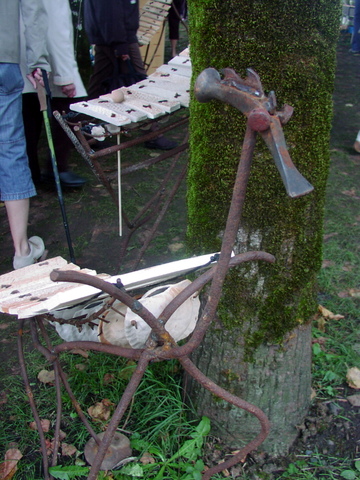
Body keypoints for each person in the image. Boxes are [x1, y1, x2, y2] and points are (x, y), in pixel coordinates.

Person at [84, 0, 177, 150]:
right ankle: (152, 135)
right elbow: (110, 10)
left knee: (99, 85)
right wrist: (120, 45)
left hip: (114, 37)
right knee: (140, 86)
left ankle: (86, 133)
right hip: (119, 39)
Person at [0, 0, 49, 270]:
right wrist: (36, 60)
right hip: (2, 56)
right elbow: (32, 7)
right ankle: (22, 252)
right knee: (9, 149)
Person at [20, 0, 87, 188]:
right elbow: (56, 28)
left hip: (23, 58)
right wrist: (64, 74)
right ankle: (55, 170)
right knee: (68, 111)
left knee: (28, 118)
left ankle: (34, 173)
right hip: (44, 59)